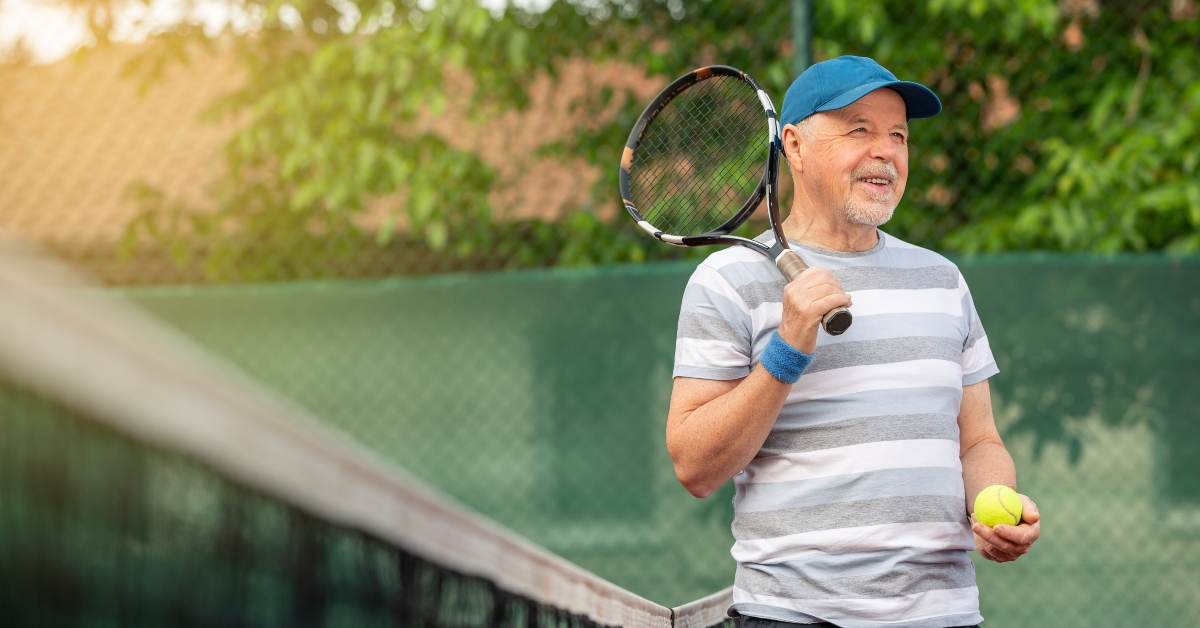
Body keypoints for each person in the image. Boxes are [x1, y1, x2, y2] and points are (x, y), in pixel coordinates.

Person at [667, 56, 1041, 628]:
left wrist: (995, 506)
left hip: (945, 614)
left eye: (899, 135)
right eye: (859, 129)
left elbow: (977, 441)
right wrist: (787, 350)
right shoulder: (726, 282)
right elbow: (695, 466)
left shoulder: (943, 280)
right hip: (792, 614)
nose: (885, 151)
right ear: (793, 145)